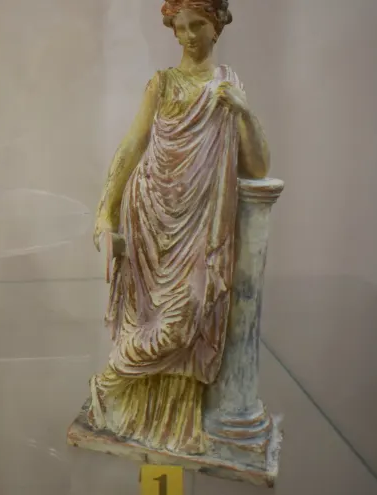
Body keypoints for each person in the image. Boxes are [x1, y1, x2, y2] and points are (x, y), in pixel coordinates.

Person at [87, 0, 270, 455]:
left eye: (198, 25)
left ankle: (121, 392)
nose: (188, 35)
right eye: (180, 26)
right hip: (150, 216)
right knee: (146, 321)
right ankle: (115, 395)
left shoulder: (228, 86)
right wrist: (105, 211)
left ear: (217, 26)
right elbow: (132, 146)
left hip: (199, 225)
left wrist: (244, 112)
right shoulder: (163, 83)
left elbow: (258, 167)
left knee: (186, 318)